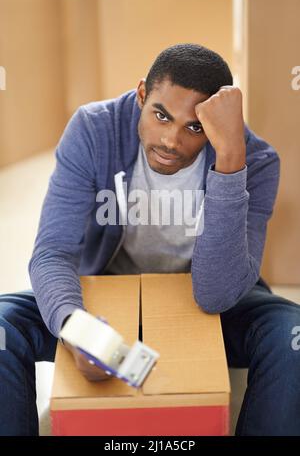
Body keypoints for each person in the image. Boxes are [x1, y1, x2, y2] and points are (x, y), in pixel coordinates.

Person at [0, 43, 299, 436]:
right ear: (142, 94)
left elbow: (216, 294)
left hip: (207, 307)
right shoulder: (94, 128)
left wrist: (229, 160)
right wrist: (77, 327)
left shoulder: (255, 160)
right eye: (161, 115)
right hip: (105, 293)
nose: (172, 141)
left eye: (194, 127)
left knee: (293, 339)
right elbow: (52, 252)